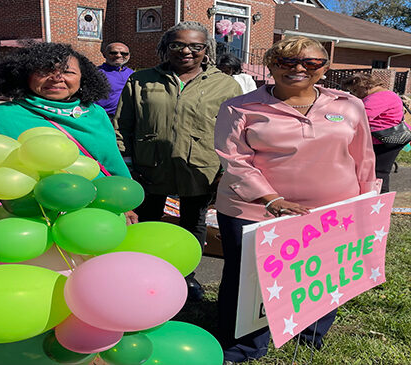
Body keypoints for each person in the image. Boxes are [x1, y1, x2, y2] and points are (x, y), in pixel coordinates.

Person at [214, 36, 377, 362]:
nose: (298, 69)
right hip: (255, 211)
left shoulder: (348, 105)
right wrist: (272, 199)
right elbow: (234, 160)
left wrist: (367, 204)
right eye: (286, 62)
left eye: (310, 63)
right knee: (249, 281)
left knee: (323, 274)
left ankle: (309, 334)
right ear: (272, 65)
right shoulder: (239, 107)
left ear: (324, 68)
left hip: (332, 212)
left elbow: (364, 158)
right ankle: (244, 345)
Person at [113, 21, 242, 301]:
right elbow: (123, 124)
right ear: (165, 47)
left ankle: (186, 275)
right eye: (177, 45)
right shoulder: (141, 80)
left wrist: (224, 171)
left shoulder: (225, 85)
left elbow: (234, 133)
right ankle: (142, 274)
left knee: (192, 223)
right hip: (149, 169)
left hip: (200, 170)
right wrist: (128, 167)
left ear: (207, 49)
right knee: (145, 222)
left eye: (196, 46)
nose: (186, 51)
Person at [0, 42, 137, 222]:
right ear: (25, 75)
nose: (56, 78)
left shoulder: (95, 113)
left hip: (101, 213)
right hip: (33, 219)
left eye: (68, 72)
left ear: (83, 78)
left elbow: (112, 162)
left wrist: (125, 204)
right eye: (44, 71)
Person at [342, 73, 408, 193]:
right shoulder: (383, 95)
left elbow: (361, 115)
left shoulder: (381, 96)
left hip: (384, 140)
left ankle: (380, 201)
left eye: (356, 90)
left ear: (365, 85)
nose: (355, 94)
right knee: (375, 170)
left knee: (378, 171)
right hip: (384, 139)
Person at [95, 42, 134, 118]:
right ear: (104, 54)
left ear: (129, 56)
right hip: (104, 117)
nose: (119, 55)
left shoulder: (132, 74)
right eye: (113, 53)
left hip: (127, 118)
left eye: (124, 53)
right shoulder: (95, 73)